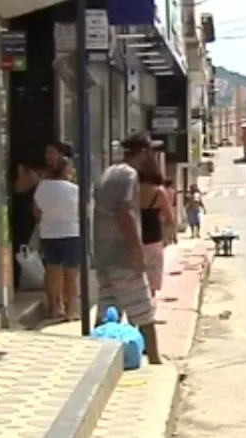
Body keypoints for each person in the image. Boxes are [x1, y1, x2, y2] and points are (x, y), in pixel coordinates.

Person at [92, 132, 162, 364]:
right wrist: (137, 251)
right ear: (143, 152)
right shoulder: (129, 175)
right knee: (143, 309)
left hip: (104, 254)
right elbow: (125, 212)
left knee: (107, 309)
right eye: (150, 151)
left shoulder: (109, 172)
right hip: (122, 255)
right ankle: (154, 360)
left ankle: (98, 358)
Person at [33, 157, 81, 321]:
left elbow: (36, 210)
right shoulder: (74, 189)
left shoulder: (42, 187)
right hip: (71, 232)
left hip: (48, 232)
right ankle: (72, 309)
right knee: (71, 273)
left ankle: (55, 307)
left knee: (52, 271)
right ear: (65, 170)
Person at [138, 164, 176, 297]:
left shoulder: (131, 190)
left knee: (133, 281)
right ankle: (148, 310)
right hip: (153, 238)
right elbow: (169, 219)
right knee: (151, 281)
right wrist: (167, 238)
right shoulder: (158, 192)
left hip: (133, 237)